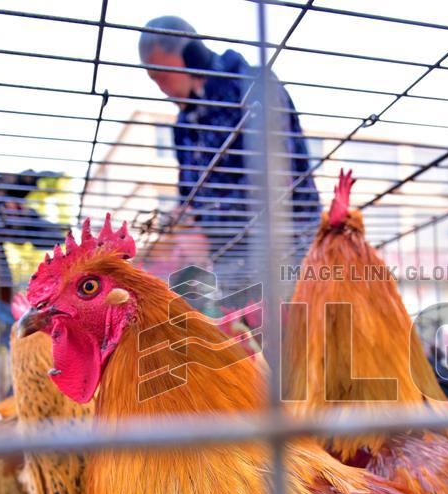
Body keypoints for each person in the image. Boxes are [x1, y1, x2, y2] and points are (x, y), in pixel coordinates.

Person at [138, 16, 321, 290]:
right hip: (230, 261)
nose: (161, 88)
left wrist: (205, 230)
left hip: (289, 246)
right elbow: (188, 193)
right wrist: (182, 221)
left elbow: (278, 181)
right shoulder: (183, 125)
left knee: (297, 324)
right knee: (240, 326)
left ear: (191, 54)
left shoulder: (251, 86)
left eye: (161, 76)